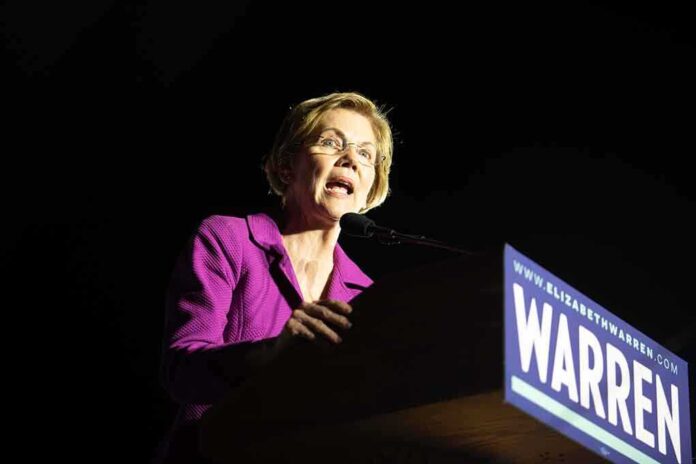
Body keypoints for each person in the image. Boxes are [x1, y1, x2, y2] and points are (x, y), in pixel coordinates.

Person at [152, 91, 394, 463]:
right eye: (331, 143)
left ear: (370, 188)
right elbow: (180, 371)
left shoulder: (366, 294)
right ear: (286, 166)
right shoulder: (228, 239)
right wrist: (272, 354)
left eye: (365, 153)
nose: (351, 159)